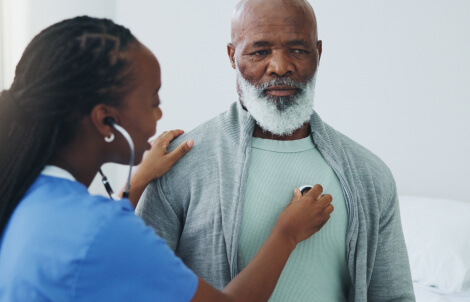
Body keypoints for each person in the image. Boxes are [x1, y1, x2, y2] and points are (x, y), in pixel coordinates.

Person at [0, 16, 335, 301]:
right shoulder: (101, 231)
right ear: (106, 121)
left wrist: (141, 178)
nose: (159, 115)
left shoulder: (24, 195)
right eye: (153, 101)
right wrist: (286, 234)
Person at [136, 0, 416, 301]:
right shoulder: (179, 165)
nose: (280, 66)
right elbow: (139, 286)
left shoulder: (369, 175)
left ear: (318, 54)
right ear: (232, 56)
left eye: (298, 49)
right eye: (260, 51)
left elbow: (393, 295)